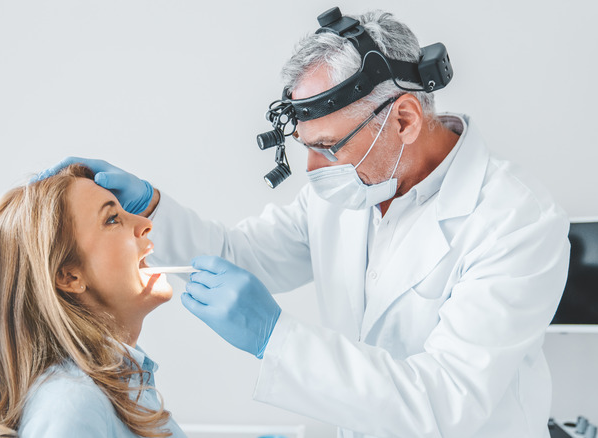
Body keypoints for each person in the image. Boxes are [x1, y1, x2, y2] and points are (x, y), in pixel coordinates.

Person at [39, 9, 570, 438]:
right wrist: (153, 207)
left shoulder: (515, 221)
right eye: (305, 149)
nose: (313, 172)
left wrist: (277, 339)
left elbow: (445, 403)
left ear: (404, 120)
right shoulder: (351, 187)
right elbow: (242, 256)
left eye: (327, 148)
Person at [0, 164, 186, 437]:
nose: (146, 223)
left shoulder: (124, 383)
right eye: (112, 219)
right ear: (69, 276)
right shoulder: (73, 406)